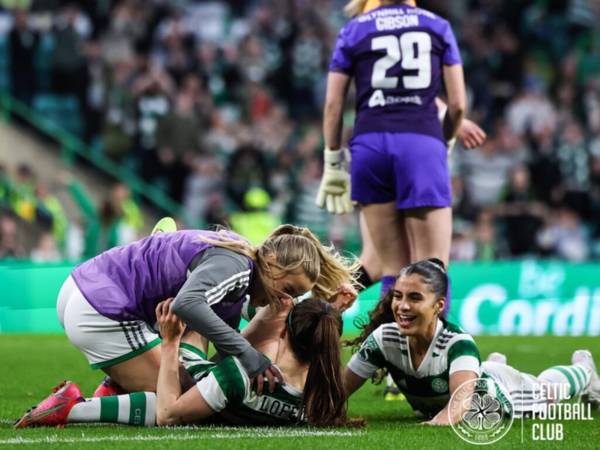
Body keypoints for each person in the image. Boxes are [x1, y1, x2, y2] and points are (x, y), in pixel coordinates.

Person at [56, 223, 357, 395]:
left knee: (195, 379)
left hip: (85, 286)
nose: (286, 301)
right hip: (102, 306)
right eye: (289, 290)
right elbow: (188, 304)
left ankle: (117, 387)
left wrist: (330, 312)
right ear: (272, 262)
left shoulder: (239, 266)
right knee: (179, 396)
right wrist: (251, 357)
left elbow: (227, 348)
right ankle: (76, 406)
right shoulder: (237, 266)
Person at [317, 0, 485, 299]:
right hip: (420, 144)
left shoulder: (356, 28)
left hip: (370, 147)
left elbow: (337, 103)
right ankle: (433, 343)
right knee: (430, 268)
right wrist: (444, 136)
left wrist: (333, 162)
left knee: (390, 269)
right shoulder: (434, 25)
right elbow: (431, 93)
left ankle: (313, 312)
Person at [15, 298, 350, 428]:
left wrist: (170, 341)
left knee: (204, 306)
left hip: (190, 371)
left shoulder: (242, 375)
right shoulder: (321, 395)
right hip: (216, 387)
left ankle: (73, 407)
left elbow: (167, 414)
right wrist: (327, 311)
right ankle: (102, 396)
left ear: (286, 332)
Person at [343, 259, 600, 424]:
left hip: (500, 397)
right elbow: (338, 390)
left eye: (415, 298)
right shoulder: (384, 338)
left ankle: (585, 371)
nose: (402, 306)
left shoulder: (457, 343)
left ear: (438, 306)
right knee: (481, 373)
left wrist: (436, 422)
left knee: (546, 392)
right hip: (471, 379)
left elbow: (458, 409)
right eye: (397, 296)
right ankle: (490, 367)